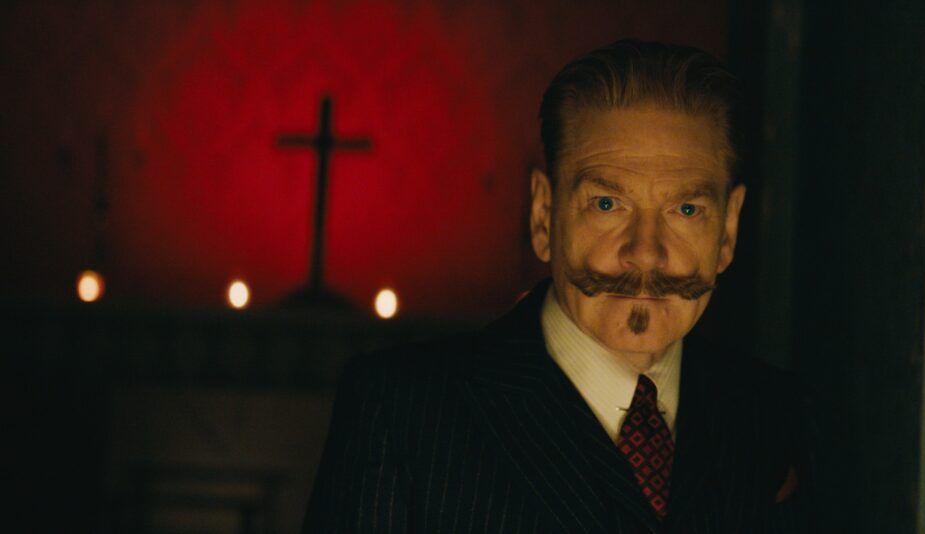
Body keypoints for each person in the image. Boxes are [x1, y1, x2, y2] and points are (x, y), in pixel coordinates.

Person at [302, 39, 816, 533]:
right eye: (606, 204)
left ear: (727, 231)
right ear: (544, 216)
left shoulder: (770, 412)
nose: (645, 252)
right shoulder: (403, 411)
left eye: (685, 209)